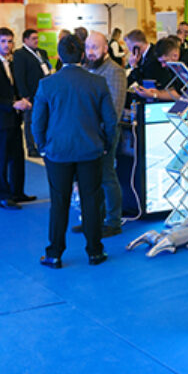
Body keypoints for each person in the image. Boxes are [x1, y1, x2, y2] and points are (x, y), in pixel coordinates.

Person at [32, 34, 118, 268]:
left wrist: (42, 146)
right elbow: (111, 121)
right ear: (82, 55)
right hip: (90, 150)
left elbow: (37, 121)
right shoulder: (97, 83)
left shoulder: (47, 84)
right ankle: (95, 251)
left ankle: (54, 253)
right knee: (91, 201)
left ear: (59, 56)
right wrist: (107, 145)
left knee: (59, 203)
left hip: (57, 152)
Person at [0, 27, 34, 209]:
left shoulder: (10, 63)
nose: (7, 45)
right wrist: (12, 104)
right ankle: (3, 196)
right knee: (2, 159)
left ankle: (17, 192)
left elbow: (12, 88)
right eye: (3, 41)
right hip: (1, 119)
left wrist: (22, 100)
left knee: (18, 157)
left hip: (13, 118)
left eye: (10, 41)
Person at [85, 31, 128, 237]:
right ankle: (96, 218)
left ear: (105, 48)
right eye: (88, 47)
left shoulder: (115, 72)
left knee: (107, 176)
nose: (90, 52)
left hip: (105, 134)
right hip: (88, 134)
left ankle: (113, 221)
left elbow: (116, 109)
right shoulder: (87, 69)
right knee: (93, 179)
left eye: (95, 47)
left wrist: (104, 136)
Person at [12, 28, 52, 158]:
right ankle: (31, 147)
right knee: (29, 121)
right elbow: (19, 76)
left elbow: (47, 68)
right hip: (30, 93)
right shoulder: (20, 54)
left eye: (37, 38)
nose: (36, 41)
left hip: (45, 92)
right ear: (25, 40)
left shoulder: (42, 52)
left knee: (44, 119)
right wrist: (24, 95)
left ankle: (43, 144)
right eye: (33, 38)